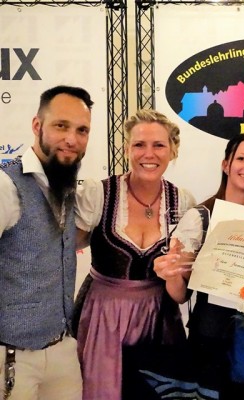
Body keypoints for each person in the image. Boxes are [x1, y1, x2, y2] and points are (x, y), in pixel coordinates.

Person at [153, 134, 244, 400]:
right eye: (242, 158)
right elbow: (181, 294)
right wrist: (170, 273)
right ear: (226, 165)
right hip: (209, 341)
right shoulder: (199, 217)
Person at [74, 109, 196, 400]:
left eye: (159, 145)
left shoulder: (183, 202)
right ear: (127, 148)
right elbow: (62, 250)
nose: (148, 154)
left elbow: (182, 294)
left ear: (173, 150)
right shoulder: (99, 194)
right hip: (103, 315)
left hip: (158, 317)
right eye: (139, 144)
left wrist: (173, 274)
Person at [0, 85, 93, 400]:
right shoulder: (5, 185)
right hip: (12, 357)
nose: (72, 139)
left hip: (63, 349)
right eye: (61, 126)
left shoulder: (66, 184)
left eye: (82, 130)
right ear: (37, 126)